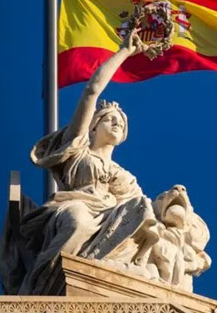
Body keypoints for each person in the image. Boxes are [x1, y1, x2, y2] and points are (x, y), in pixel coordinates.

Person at [16, 27, 160, 294]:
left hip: (111, 215)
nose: (116, 124)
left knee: (144, 216)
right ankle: (42, 286)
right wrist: (125, 52)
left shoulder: (125, 177)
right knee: (78, 221)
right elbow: (92, 91)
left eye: (121, 123)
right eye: (110, 119)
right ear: (93, 126)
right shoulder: (78, 149)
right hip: (77, 204)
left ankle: (96, 267)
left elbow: (141, 210)